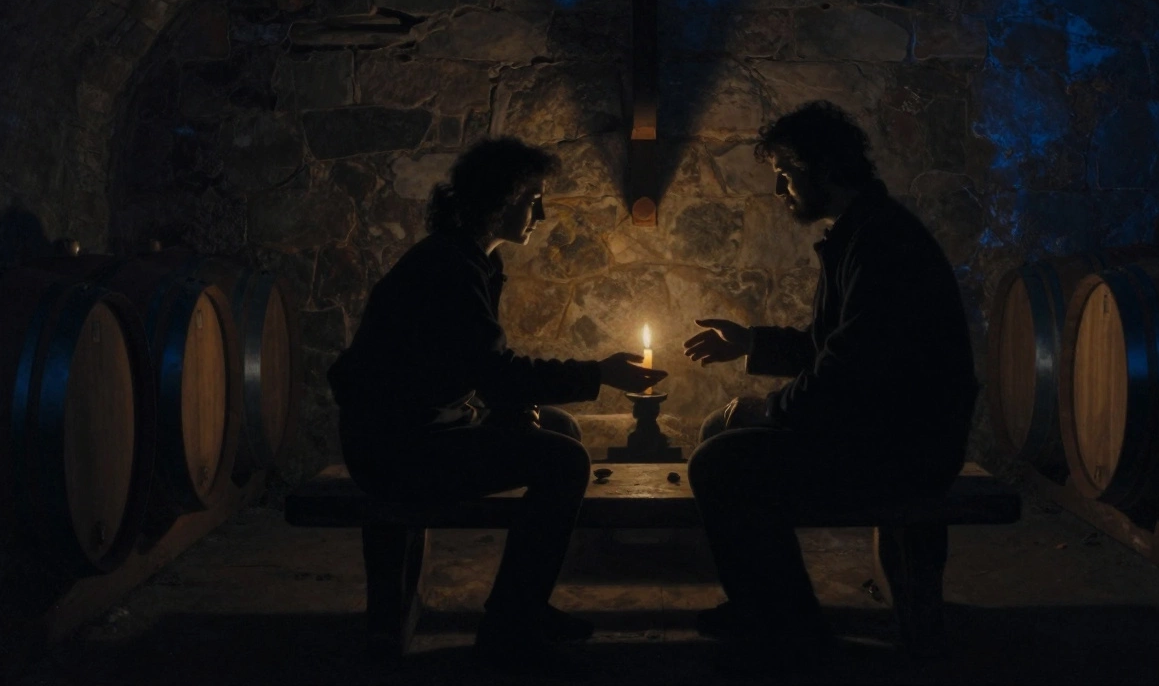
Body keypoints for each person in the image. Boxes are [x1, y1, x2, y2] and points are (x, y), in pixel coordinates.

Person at [327, 138, 667, 668]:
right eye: (533, 199)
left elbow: (469, 365)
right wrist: (599, 374)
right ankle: (508, 630)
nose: (541, 214)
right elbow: (496, 374)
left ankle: (525, 605)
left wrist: (506, 404)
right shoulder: (450, 268)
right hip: (398, 449)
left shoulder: (473, 258)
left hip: (428, 424)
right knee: (564, 462)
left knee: (559, 428)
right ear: (499, 199)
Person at [681, 101, 979, 660]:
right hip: (881, 429)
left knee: (719, 463)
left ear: (824, 169)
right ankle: (762, 606)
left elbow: (848, 371)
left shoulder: (880, 243)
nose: (779, 190)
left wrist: (769, 409)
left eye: (786, 175)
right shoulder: (860, 231)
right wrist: (751, 343)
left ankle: (792, 626)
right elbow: (834, 346)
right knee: (721, 434)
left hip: (903, 447)